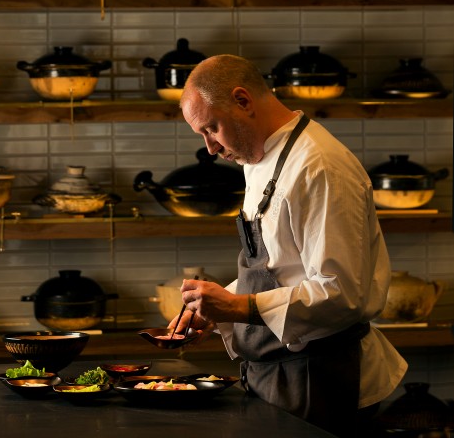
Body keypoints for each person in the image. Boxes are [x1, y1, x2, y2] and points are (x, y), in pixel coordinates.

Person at [172, 54, 407, 438]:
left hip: (322, 377)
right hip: (275, 372)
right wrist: (217, 308)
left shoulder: (320, 166)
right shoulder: (258, 156)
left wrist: (238, 306)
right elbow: (280, 266)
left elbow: (342, 292)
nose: (210, 148)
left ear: (243, 101)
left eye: (211, 128)